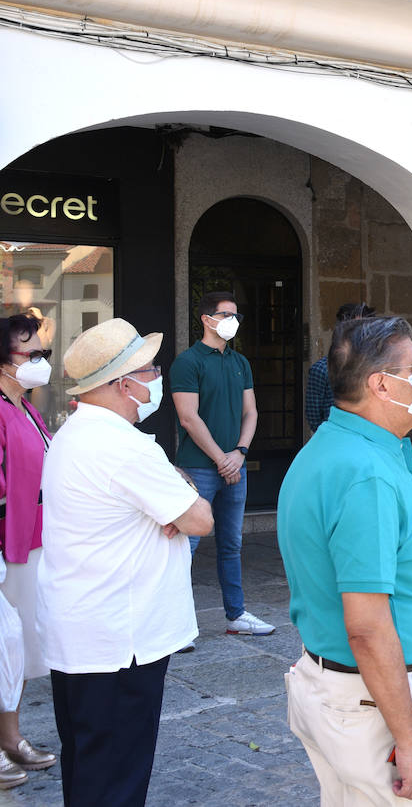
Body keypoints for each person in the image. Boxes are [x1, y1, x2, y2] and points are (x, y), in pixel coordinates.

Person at [38, 318, 213, 807]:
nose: (158, 378)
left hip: (89, 632)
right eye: (150, 369)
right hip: (120, 640)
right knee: (116, 778)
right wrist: (180, 497)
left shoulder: (77, 433)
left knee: (90, 768)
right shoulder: (122, 447)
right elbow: (200, 519)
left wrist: (175, 492)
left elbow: (178, 500)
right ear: (122, 383)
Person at [279, 315, 412, 805]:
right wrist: (411, 740)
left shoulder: (340, 447)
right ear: (381, 384)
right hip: (373, 701)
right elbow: (368, 628)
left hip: (346, 690)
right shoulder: (365, 473)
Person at [169, 291, 274, 636]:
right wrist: (220, 458)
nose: (233, 321)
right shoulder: (188, 362)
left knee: (232, 543)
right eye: (226, 315)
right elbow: (188, 417)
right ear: (207, 319)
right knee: (187, 545)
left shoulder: (240, 362)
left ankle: (236, 615)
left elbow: (251, 411)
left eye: (236, 315)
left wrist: (240, 452)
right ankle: (175, 623)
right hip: (200, 466)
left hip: (234, 464)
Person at [0, 315, 57, 788]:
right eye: (30, 354)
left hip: (32, 536)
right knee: (4, 641)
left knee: (16, 645)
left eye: (43, 354)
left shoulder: (26, 407)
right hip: (7, 540)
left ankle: (11, 736)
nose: (39, 361)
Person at [305, 302, 375, 432]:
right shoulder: (321, 370)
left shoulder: (377, 368)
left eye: (366, 328)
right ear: (342, 331)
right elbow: (314, 416)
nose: (362, 334)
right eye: (356, 328)